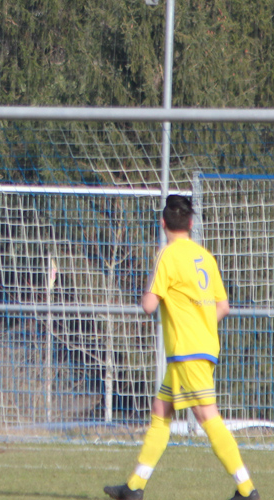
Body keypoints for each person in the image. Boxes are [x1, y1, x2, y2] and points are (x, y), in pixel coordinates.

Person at [104, 195, 258, 500]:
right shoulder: (205, 257)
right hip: (197, 349)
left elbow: (149, 305)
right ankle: (134, 487)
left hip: (187, 352)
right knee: (161, 412)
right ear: (190, 223)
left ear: (163, 224)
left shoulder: (168, 255)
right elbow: (223, 306)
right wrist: (199, 323)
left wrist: (153, 282)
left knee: (207, 417)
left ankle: (247, 489)